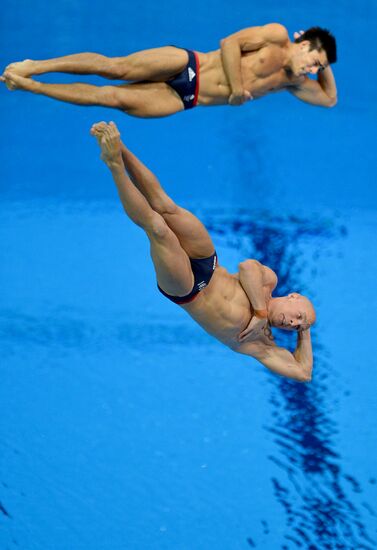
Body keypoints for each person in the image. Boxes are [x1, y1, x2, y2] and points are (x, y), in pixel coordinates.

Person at [90, 121, 316, 381]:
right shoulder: (269, 282)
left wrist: (305, 332)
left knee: (158, 228)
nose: (294, 323)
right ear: (293, 296)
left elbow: (304, 373)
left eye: (298, 325)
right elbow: (246, 267)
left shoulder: (261, 344)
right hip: (209, 264)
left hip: (188, 291)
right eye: (299, 316)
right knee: (165, 206)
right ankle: (120, 147)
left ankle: (114, 164)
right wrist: (260, 312)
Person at [1, 26, 337, 117]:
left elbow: (329, 100)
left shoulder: (292, 83)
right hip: (188, 64)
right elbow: (230, 43)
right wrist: (236, 90)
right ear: (302, 42)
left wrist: (327, 65)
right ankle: (38, 66)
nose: (312, 69)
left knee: (111, 99)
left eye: (317, 67)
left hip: (185, 99)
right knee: (114, 68)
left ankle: (34, 87)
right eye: (314, 60)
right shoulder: (276, 36)